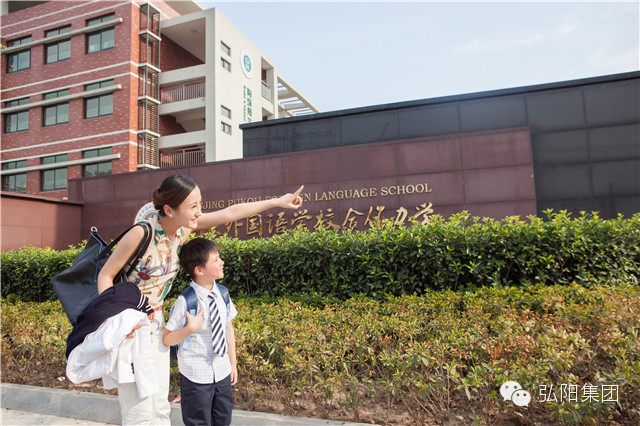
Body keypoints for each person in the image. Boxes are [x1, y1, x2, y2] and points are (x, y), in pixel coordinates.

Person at [97, 174, 303, 425]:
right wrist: (117, 324)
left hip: (157, 323)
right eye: (193, 206)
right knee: (138, 410)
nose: (199, 212)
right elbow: (105, 276)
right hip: (131, 327)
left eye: (200, 204)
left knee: (160, 405)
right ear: (169, 210)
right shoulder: (141, 233)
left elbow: (230, 213)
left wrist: (278, 201)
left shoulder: (182, 231)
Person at [164, 238, 236, 426]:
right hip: (196, 376)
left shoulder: (223, 293)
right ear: (199, 270)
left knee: (223, 420)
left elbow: (228, 328)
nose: (222, 262)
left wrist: (233, 363)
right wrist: (190, 329)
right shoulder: (186, 301)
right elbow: (167, 339)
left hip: (222, 371)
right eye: (216, 260)